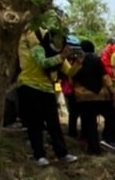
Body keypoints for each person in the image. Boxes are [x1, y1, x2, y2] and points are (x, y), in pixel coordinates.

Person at [18, 28, 76, 165]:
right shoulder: (38, 49)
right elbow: (43, 63)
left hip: (47, 89)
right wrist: (61, 57)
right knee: (35, 123)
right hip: (30, 86)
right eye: (57, 39)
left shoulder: (60, 55)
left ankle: (62, 153)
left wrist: (78, 62)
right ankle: (39, 155)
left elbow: (70, 72)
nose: (60, 42)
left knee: (54, 123)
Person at [70, 40, 115, 155]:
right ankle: (106, 139)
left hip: (83, 97)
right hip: (99, 96)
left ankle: (93, 148)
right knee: (112, 115)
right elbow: (105, 77)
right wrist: (113, 92)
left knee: (89, 122)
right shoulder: (97, 60)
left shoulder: (78, 62)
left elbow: (70, 77)